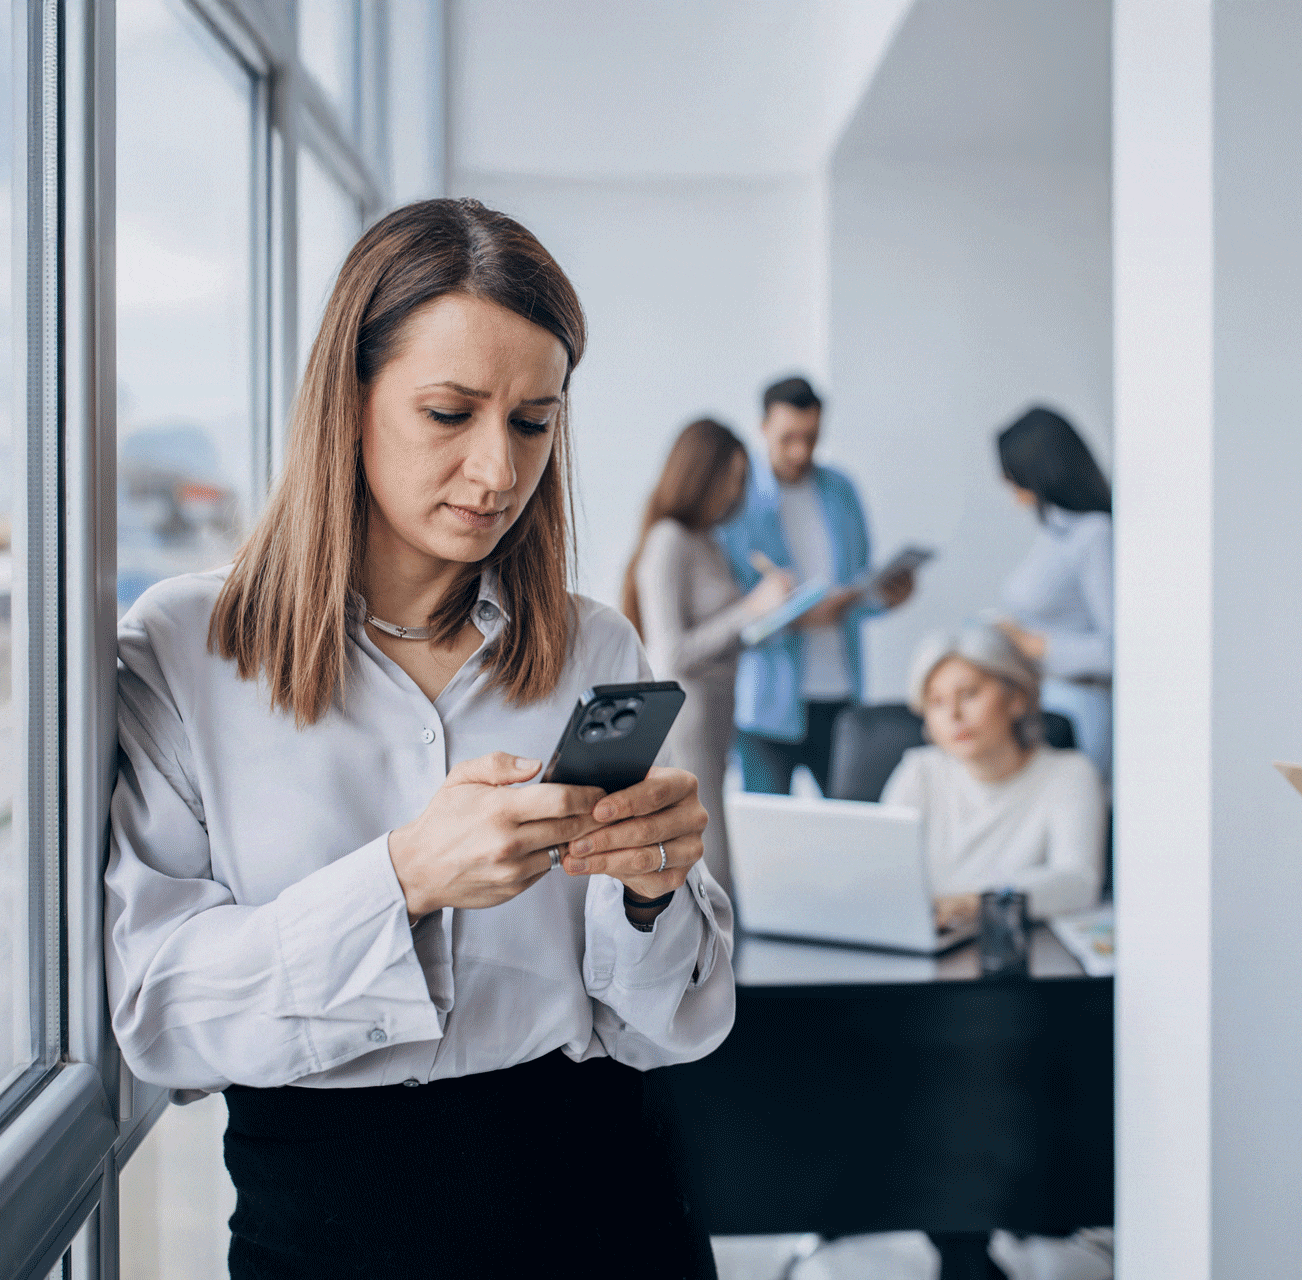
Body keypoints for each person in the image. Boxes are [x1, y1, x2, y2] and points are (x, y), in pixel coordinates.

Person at [104, 198, 733, 1279]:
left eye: (533, 422)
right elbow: (162, 1016)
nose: (498, 472)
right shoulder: (185, 650)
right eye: (450, 412)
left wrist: (651, 891)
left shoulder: (595, 645)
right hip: (329, 1224)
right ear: (345, 401)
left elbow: (671, 1023)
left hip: (610, 1206)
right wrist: (401, 877)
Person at [716, 376, 914, 796]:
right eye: (788, 438)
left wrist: (884, 597)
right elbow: (729, 613)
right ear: (763, 426)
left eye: (811, 437)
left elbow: (859, 585)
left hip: (839, 693)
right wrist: (794, 616)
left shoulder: (841, 490)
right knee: (767, 834)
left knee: (848, 828)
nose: (800, 451)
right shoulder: (738, 498)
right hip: (768, 703)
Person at [623, 418, 794, 895]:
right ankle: (714, 960)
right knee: (709, 852)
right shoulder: (669, 542)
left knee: (717, 844)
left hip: (720, 711)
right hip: (689, 714)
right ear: (702, 474)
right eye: (731, 478)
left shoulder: (708, 541)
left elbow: (727, 634)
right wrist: (750, 609)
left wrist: (772, 613)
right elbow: (671, 654)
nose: (735, 492)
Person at [880, 625, 1105, 934]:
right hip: (925, 945)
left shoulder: (1069, 774)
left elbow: (1078, 881)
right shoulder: (919, 772)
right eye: (936, 702)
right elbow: (879, 873)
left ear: (1017, 698)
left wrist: (975, 902)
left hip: (1019, 954)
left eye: (969, 694)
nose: (953, 715)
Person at [993, 406, 1115, 779]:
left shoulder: (1094, 534)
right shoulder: (1053, 530)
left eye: (1014, 474)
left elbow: (1119, 649)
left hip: (1079, 707)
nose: (1007, 484)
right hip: (1040, 700)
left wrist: (1039, 647)